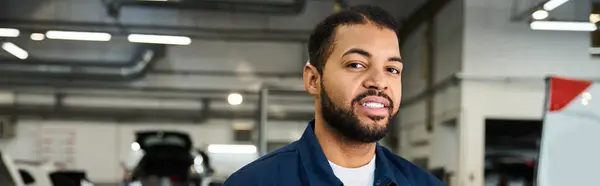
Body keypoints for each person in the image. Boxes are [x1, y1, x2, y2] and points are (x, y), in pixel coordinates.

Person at [223, 5, 445, 186]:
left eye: (392, 69)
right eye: (356, 64)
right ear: (313, 80)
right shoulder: (253, 182)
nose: (379, 82)